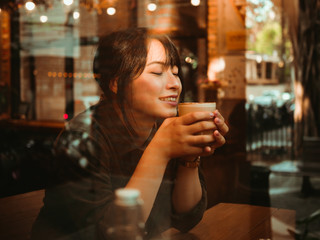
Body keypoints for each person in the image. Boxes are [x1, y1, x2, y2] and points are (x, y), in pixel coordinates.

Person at [31, 27, 229, 240]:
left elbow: (186, 218)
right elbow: (109, 236)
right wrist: (160, 150)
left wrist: (189, 156)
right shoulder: (82, 140)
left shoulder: (165, 127)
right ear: (116, 82)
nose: (175, 84)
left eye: (175, 72)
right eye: (157, 72)